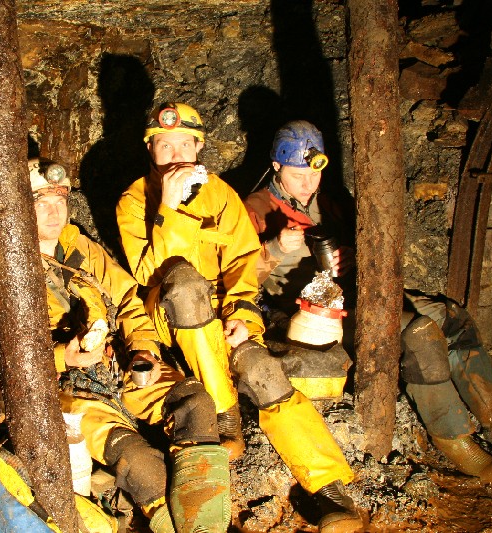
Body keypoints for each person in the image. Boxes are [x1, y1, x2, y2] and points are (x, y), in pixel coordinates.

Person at [244, 119, 492, 485]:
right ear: (277, 166)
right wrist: (275, 247)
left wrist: (355, 255)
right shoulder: (254, 209)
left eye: (314, 175)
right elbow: (235, 275)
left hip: (359, 292)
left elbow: (373, 241)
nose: (308, 184)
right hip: (313, 315)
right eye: (298, 176)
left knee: (450, 315)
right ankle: (454, 438)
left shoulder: (330, 200)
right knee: (418, 332)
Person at [116, 102, 364, 533]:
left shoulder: (221, 194)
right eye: (164, 145)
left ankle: (329, 489)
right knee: (184, 283)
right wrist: (168, 208)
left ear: (198, 147)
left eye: (184, 144)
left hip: (220, 313)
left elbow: (244, 264)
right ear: (150, 150)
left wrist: (243, 316)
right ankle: (226, 413)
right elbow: (146, 271)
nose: (175, 155)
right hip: (168, 316)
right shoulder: (134, 200)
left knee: (261, 368)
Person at [0, 158, 231, 533]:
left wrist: (144, 349)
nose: (55, 212)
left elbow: (128, 299)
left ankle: (207, 524)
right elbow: (1, 355)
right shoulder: (4, 270)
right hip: (65, 391)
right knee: (139, 463)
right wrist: (63, 357)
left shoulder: (79, 247)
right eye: (42, 203)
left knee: (195, 403)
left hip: (119, 367)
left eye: (60, 201)